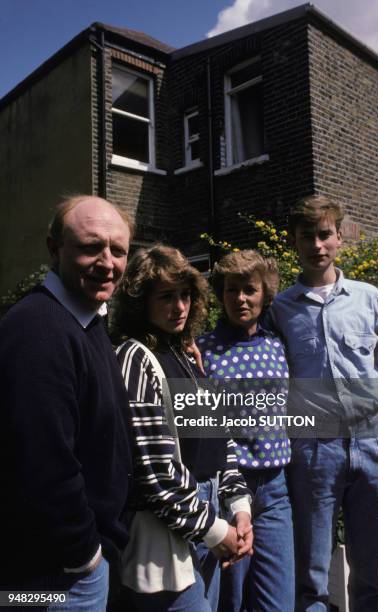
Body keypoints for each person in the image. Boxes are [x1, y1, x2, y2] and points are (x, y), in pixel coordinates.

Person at [263, 195, 378, 612]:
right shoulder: (280, 309)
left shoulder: (369, 299)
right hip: (313, 451)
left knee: (373, 572)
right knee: (311, 575)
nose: (317, 244)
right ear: (294, 242)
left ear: (340, 238)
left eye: (325, 234)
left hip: (373, 447)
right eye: (307, 236)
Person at [0, 195, 134, 610]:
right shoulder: (38, 329)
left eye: (118, 250)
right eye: (91, 247)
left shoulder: (86, 322)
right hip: (52, 577)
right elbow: (41, 460)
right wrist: (85, 556)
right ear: (54, 248)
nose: (107, 262)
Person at [112, 244, 253, 612]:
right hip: (166, 534)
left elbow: (220, 444)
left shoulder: (186, 355)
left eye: (185, 295)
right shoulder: (135, 357)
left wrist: (239, 508)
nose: (179, 307)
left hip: (208, 516)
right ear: (140, 300)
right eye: (166, 297)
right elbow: (155, 472)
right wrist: (215, 530)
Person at [198, 250, 294, 612]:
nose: (240, 298)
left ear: (264, 294)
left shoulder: (276, 345)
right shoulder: (202, 351)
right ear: (221, 295)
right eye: (231, 290)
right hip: (228, 490)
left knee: (277, 600)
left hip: (275, 489)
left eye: (249, 290)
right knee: (231, 599)